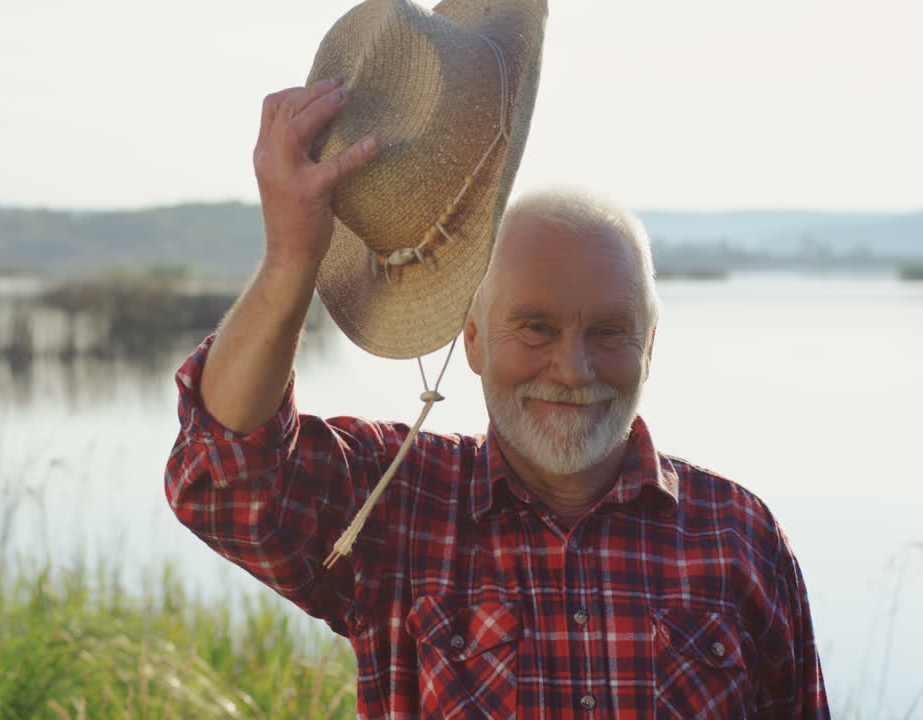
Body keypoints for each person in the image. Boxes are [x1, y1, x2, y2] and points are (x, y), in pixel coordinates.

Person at [166, 6, 829, 718]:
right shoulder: (400, 507)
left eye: (610, 332)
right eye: (536, 329)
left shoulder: (738, 537)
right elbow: (223, 478)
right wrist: (291, 257)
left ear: (652, 346)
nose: (573, 370)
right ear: (474, 340)